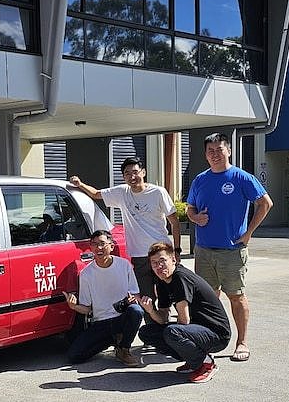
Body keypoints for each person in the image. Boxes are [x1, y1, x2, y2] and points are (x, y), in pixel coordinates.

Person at [186, 132, 273, 362]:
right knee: (207, 298)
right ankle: (207, 341)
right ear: (205, 155)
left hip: (231, 251)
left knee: (236, 296)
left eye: (219, 150)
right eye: (210, 151)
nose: (215, 154)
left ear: (229, 150)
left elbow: (265, 203)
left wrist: (248, 233)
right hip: (204, 251)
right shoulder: (200, 180)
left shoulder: (242, 178)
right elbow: (190, 208)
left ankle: (242, 342)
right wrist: (195, 218)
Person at [70, 156, 181, 298]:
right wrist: (80, 184)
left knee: (170, 295)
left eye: (135, 172)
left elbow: (174, 222)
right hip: (139, 255)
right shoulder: (122, 192)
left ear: (143, 172)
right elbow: (96, 194)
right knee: (146, 298)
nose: (132, 176)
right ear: (123, 177)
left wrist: (176, 250)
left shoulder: (158, 192)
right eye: (127, 174)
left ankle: (177, 319)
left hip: (161, 252)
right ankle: (151, 321)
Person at [137, 242, 231, 383]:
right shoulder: (162, 282)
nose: (159, 266)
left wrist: (177, 339)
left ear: (173, 259)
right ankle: (194, 360)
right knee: (147, 332)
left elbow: (184, 320)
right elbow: (163, 318)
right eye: (154, 263)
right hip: (197, 330)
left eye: (162, 260)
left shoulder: (180, 277)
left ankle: (206, 363)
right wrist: (151, 310)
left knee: (172, 332)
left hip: (217, 334)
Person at [65, 230, 143, 366]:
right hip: (101, 322)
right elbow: (87, 309)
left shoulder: (124, 265)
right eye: (94, 244)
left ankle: (124, 349)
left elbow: (136, 294)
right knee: (74, 356)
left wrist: (131, 300)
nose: (98, 248)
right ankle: (112, 339)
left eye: (102, 244)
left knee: (136, 311)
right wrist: (74, 306)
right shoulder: (86, 274)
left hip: (121, 317)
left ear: (111, 246)